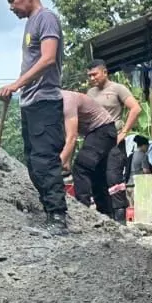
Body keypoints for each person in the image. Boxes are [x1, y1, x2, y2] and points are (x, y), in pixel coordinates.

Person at [0, 0, 66, 229]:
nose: (11, 7)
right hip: (31, 104)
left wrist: (17, 84)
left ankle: (58, 217)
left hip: (45, 102)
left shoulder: (46, 18)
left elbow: (48, 59)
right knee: (33, 161)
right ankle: (49, 213)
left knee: (45, 160)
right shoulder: (30, 25)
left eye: (12, 0)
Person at [86, 59, 141, 223]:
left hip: (113, 141)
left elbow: (136, 108)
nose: (92, 78)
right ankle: (105, 218)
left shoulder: (118, 89)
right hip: (95, 142)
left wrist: (123, 133)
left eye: (94, 74)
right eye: (89, 76)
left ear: (104, 72)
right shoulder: (90, 93)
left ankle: (120, 221)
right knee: (97, 179)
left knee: (113, 178)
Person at [64, 89, 133, 219]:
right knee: (97, 175)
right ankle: (107, 215)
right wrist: (67, 162)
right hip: (104, 132)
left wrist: (62, 161)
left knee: (82, 168)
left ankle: (83, 212)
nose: (92, 78)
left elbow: (72, 137)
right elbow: (69, 137)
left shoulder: (66, 100)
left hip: (102, 130)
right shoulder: (68, 100)